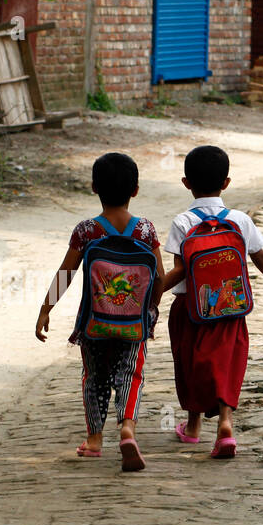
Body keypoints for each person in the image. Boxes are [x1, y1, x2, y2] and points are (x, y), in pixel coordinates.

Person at [160, 146, 263, 459]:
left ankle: (193, 426)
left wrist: (152, 295)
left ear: (186, 183)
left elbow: (180, 269)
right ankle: (225, 422)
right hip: (230, 308)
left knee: (189, 364)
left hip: (189, 310)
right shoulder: (239, 220)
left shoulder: (183, 221)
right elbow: (259, 256)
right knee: (227, 365)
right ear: (226, 183)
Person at [35, 152, 162, 472]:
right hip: (134, 322)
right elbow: (159, 275)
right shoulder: (145, 231)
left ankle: (94, 440)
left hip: (94, 322)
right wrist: (150, 310)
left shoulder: (87, 231)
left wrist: (45, 309)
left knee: (95, 378)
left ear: (94, 188)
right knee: (131, 374)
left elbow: (66, 274)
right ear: (135, 190)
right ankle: (128, 429)